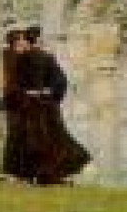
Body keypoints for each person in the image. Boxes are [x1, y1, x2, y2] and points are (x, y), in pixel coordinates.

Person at [14, 26, 91, 185]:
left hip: (29, 104)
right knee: (55, 138)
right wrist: (53, 95)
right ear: (39, 39)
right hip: (46, 103)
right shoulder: (48, 57)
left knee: (33, 139)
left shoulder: (21, 59)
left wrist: (25, 97)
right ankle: (48, 174)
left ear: (27, 40)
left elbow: (18, 84)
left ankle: (36, 175)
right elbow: (61, 80)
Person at [0, 28, 34, 182]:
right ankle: (10, 171)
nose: (24, 42)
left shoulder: (15, 55)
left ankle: (21, 172)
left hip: (19, 101)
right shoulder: (11, 56)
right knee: (15, 136)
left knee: (22, 136)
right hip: (15, 101)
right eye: (20, 40)